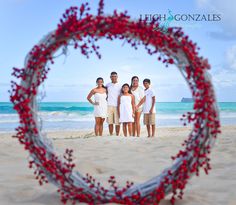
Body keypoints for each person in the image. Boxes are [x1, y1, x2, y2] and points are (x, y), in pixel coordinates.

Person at [106, 71, 122, 136]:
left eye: (115, 76)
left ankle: (117, 135)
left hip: (117, 106)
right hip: (109, 106)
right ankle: (111, 135)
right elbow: (104, 93)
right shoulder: (107, 85)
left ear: (117, 77)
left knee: (117, 122)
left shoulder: (120, 85)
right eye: (112, 76)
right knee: (110, 122)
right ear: (110, 77)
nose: (113, 77)